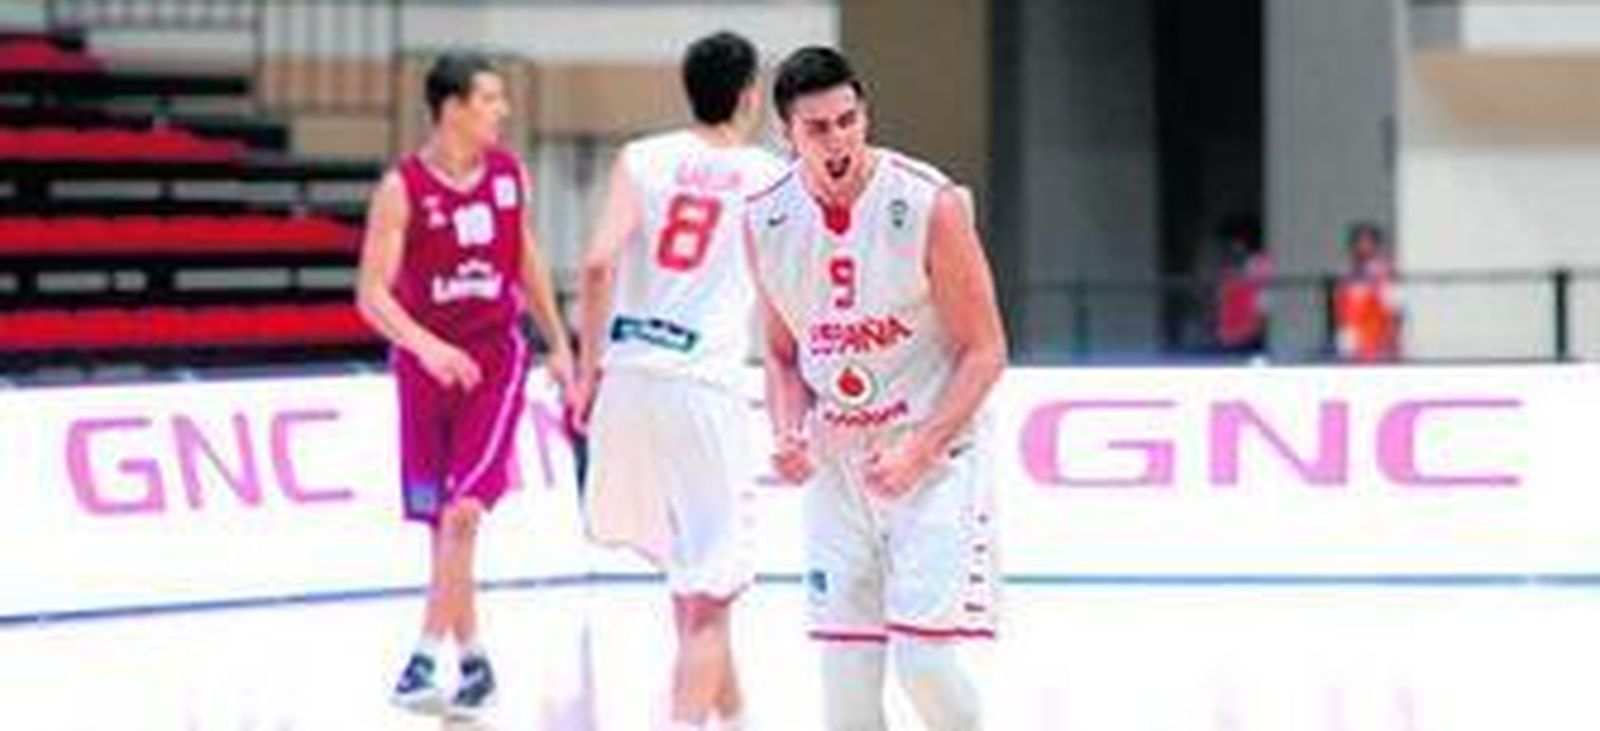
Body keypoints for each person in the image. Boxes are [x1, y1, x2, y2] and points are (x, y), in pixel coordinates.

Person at [746, 46, 1007, 731]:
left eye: (848, 120)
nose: (838, 140)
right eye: (818, 128)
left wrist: (919, 451)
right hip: (838, 468)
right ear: (787, 136)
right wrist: (786, 432)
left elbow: (987, 351)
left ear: (865, 115)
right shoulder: (764, 220)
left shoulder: (930, 203)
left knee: (923, 662)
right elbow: (779, 354)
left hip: (933, 454)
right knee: (846, 696)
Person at [570, 31, 782, 731]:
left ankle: (737, 713)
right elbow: (782, 295)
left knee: (691, 572)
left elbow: (598, 264)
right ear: (750, 95)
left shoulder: (644, 158)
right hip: (704, 388)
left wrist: (585, 371)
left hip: (628, 380)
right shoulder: (765, 174)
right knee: (712, 594)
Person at [355, 50, 573, 720]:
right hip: (426, 371)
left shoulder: (508, 176)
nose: (502, 110)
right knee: (445, 528)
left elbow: (525, 260)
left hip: (493, 362)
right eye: (489, 99)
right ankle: (475, 660)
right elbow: (371, 296)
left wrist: (558, 341)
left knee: (463, 514)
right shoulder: (403, 188)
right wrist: (427, 346)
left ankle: (424, 655)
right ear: (451, 108)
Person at [1333, 221, 1401, 362]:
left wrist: (1390, 345)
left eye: (1366, 242)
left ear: (1376, 245)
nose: (1362, 247)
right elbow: (1341, 314)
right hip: (1350, 347)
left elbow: (1394, 312)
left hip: (1376, 349)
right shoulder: (1346, 275)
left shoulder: (1384, 274)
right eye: (1358, 242)